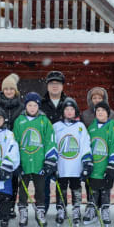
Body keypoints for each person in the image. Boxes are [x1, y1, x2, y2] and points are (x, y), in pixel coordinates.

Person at [13, 92, 58, 227]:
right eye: (29, 105)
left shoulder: (44, 121)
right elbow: (14, 142)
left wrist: (50, 160)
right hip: (24, 162)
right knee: (23, 190)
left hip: (39, 163)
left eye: (35, 105)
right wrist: (16, 163)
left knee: (40, 190)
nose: (32, 108)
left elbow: (51, 141)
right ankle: (23, 211)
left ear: (38, 106)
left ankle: (40, 211)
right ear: (25, 106)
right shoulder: (19, 121)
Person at [53, 97, 92, 226]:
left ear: (76, 111)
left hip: (76, 165)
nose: (69, 112)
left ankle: (76, 210)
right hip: (62, 165)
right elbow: (51, 144)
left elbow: (85, 144)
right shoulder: (56, 126)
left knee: (76, 188)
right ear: (63, 111)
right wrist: (52, 161)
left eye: (72, 109)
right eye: (67, 109)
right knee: (61, 188)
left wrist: (86, 161)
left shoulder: (80, 127)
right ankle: (61, 209)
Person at [0, 73, 24, 220]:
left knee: (13, 177)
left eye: (12, 89)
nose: (9, 91)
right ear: (2, 90)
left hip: (15, 147)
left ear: (15, 90)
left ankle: (10, 205)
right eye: (6, 89)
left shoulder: (22, 107)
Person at [85, 101, 114, 226]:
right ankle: (92, 209)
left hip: (106, 165)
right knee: (93, 189)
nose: (100, 113)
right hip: (94, 165)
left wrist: (112, 166)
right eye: (98, 111)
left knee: (105, 189)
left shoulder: (112, 127)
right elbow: (87, 145)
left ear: (107, 113)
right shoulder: (92, 127)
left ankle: (105, 209)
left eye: (103, 111)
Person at [41, 71, 68, 214]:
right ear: (47, 86)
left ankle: (61, 207)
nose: (55, 86)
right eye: (52, 83)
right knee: (44, 180)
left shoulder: (68, 102)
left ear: (62, 86)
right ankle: (43, 208)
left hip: (64, 147)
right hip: (45, 148)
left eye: (58, 83)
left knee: (61, 179)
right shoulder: (40, 103)